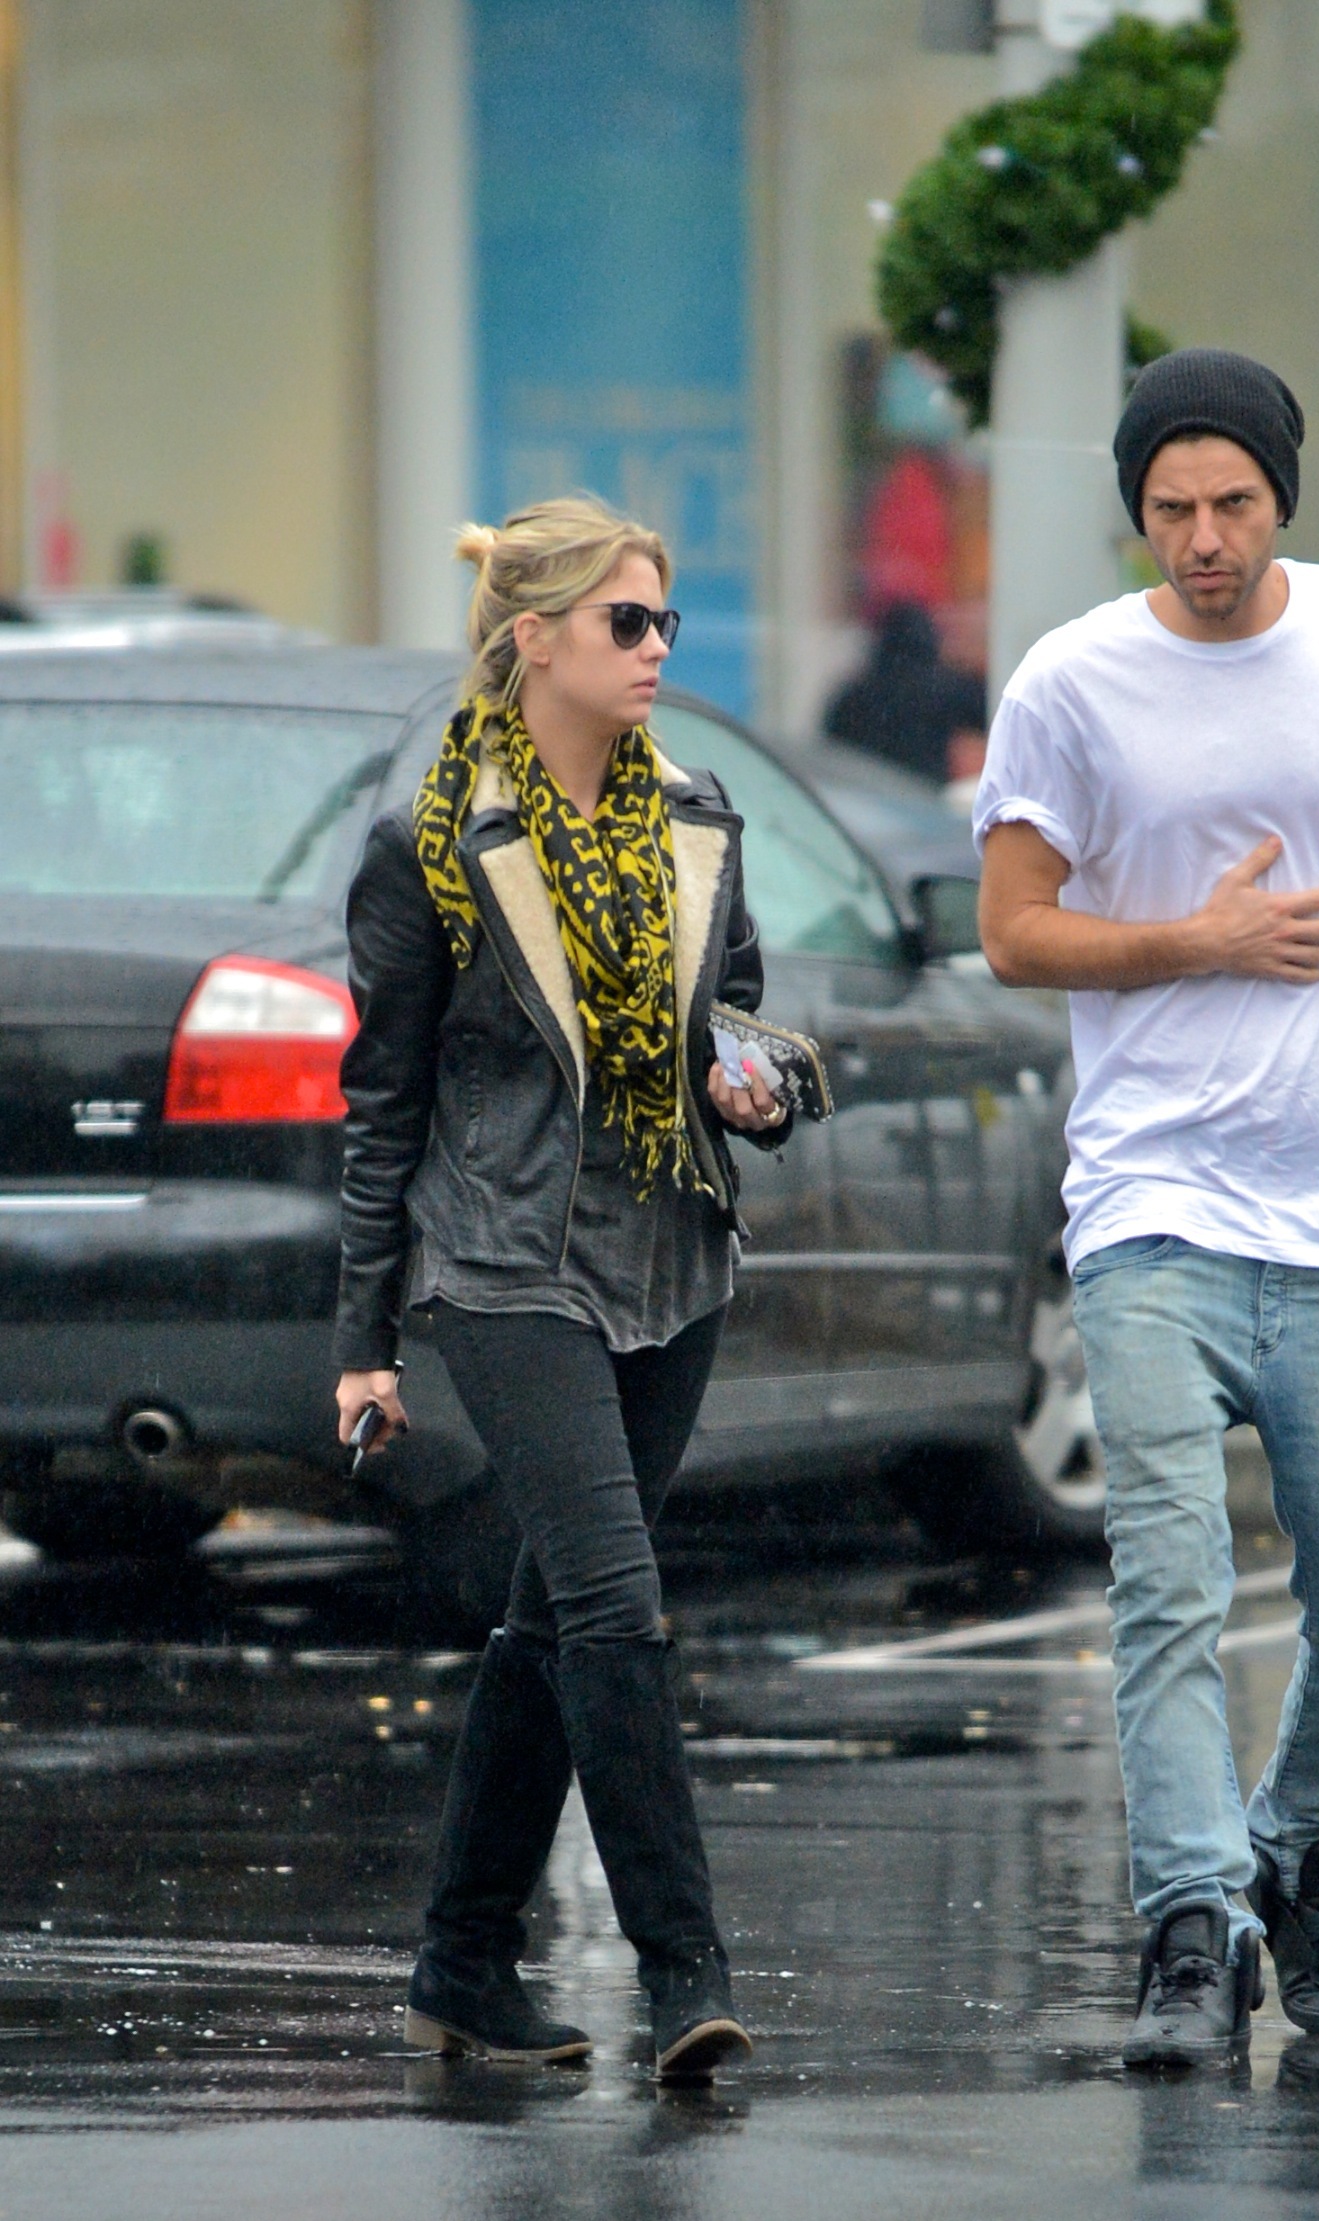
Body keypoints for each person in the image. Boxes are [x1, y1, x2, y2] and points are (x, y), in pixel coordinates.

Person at [975, 348, 1319, 2069]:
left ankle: (1300, 1848)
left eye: (1232, 504)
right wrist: (1198, 938)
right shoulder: (1070, 683)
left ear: (1281, 498)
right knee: (1169, 1585)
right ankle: (1191, 1926)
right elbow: (1013, 928)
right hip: (1154, 1201)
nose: (1201, 538)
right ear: (1138, 512)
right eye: (1170, 509)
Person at [333, 496, 787, 2080]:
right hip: (505, 1260)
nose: (657, 650)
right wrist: (365, 1340)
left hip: (669, 1253)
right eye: (626, 623)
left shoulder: (696, 816)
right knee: (610, 1601)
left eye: (665, 622)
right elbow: (383, 1100)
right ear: (535, 639)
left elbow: (740, 1011)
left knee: (552, 1614)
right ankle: (685, 1973)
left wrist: (753, 1084)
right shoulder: (433, 846)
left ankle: (463, 1962)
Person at [823, 599, 987, 785]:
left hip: (855, 794)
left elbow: (829, 751)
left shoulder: (850, 698)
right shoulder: (953, 692)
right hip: (926, 792)